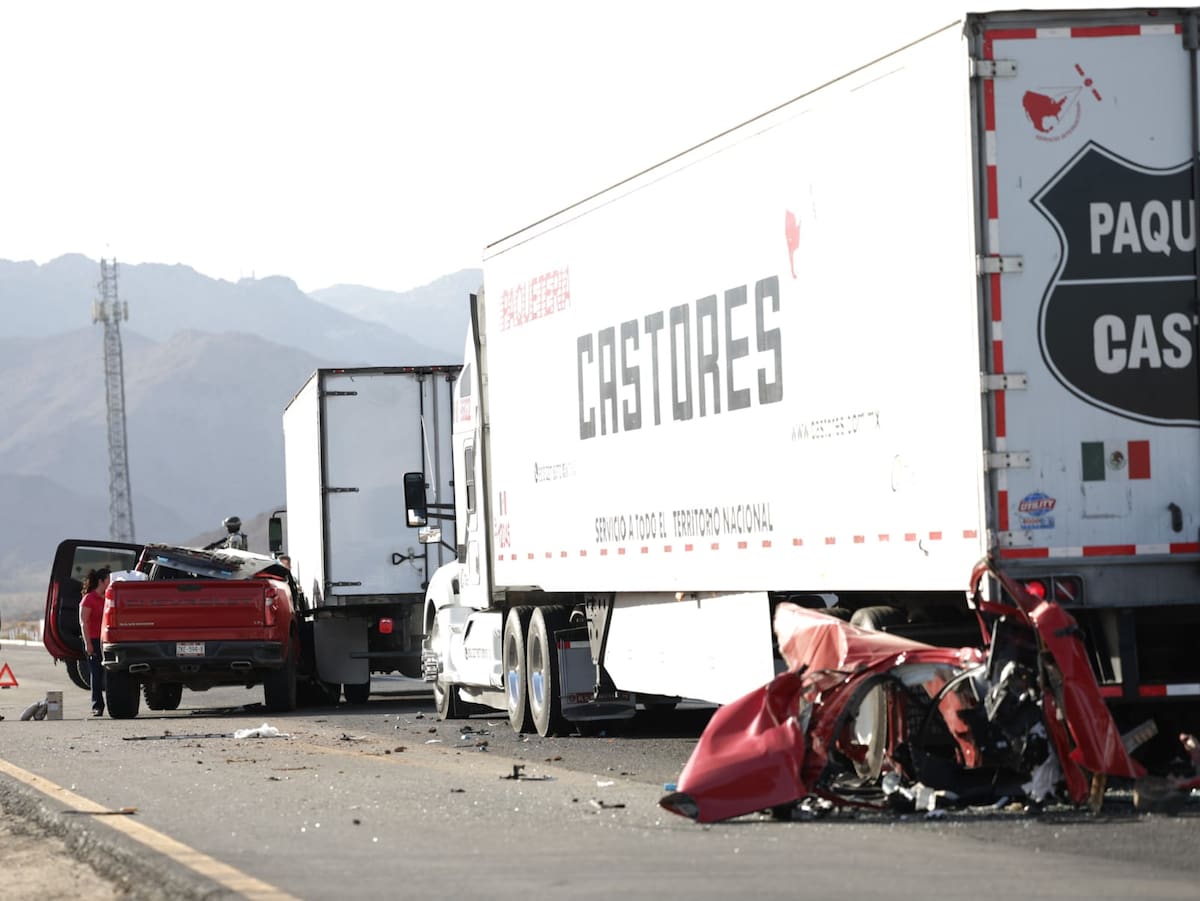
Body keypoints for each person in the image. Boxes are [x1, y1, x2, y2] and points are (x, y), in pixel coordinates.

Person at [78, 567, 111, 717]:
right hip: (93, 640)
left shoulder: (108, 598)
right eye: (108, 580)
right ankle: (97, 705)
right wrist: (88, 643)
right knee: (96, 674)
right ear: (101, 581)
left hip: (106, 640)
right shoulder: (89, 599)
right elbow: (83, 622)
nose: (111, 583)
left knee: (110, 674)